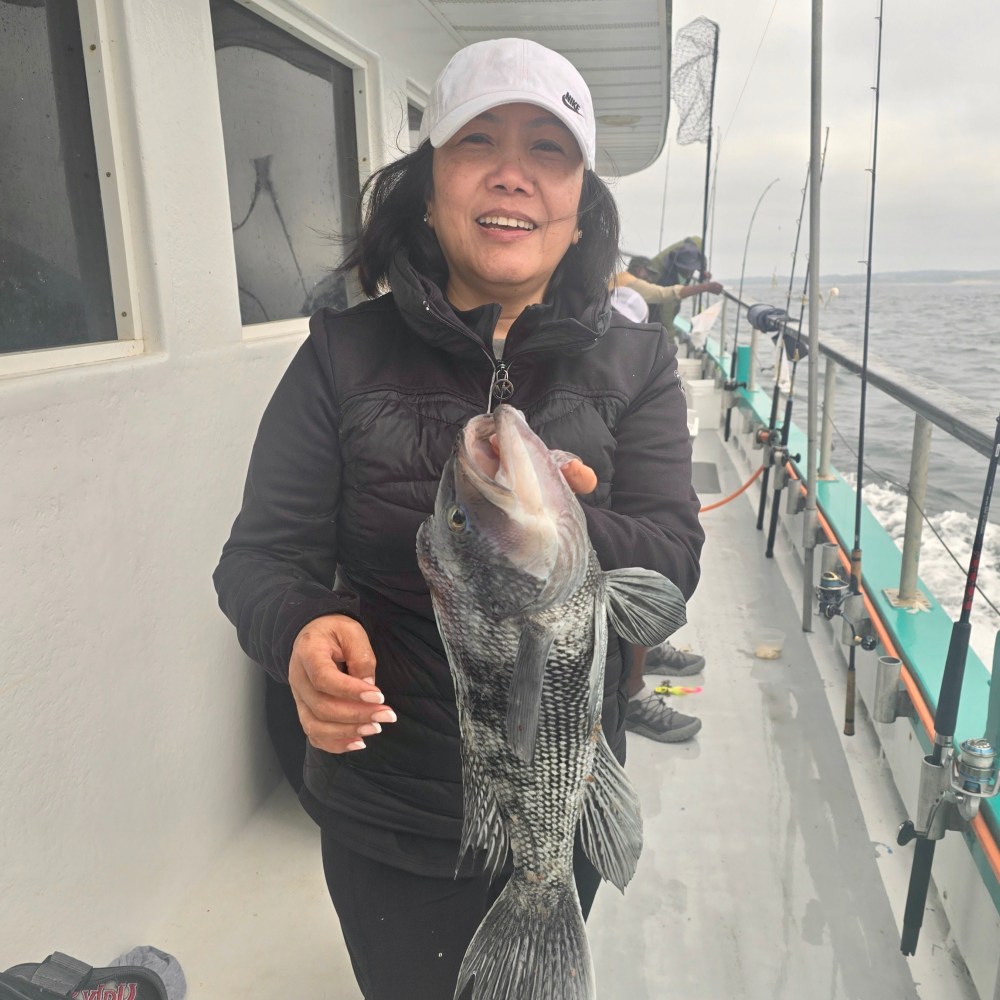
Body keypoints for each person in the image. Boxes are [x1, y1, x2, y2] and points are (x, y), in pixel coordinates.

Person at [213, 36, 703, 1000]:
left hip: (564, 796)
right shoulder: (338, 358)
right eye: (477, 141)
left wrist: (560, 533)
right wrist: (301, 632)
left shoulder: (636, 368)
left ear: (579, 208)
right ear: (430, 188)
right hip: (390, 814)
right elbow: (260, 559)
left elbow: (673, 558)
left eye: (547, 150)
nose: (512, 174)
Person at [613, 251, 723, 330]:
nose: (650, 279)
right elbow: (663, 294)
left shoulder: (620, 277)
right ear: (638, 269)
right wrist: (706, 287)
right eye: (648, 273)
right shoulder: (633, 283)